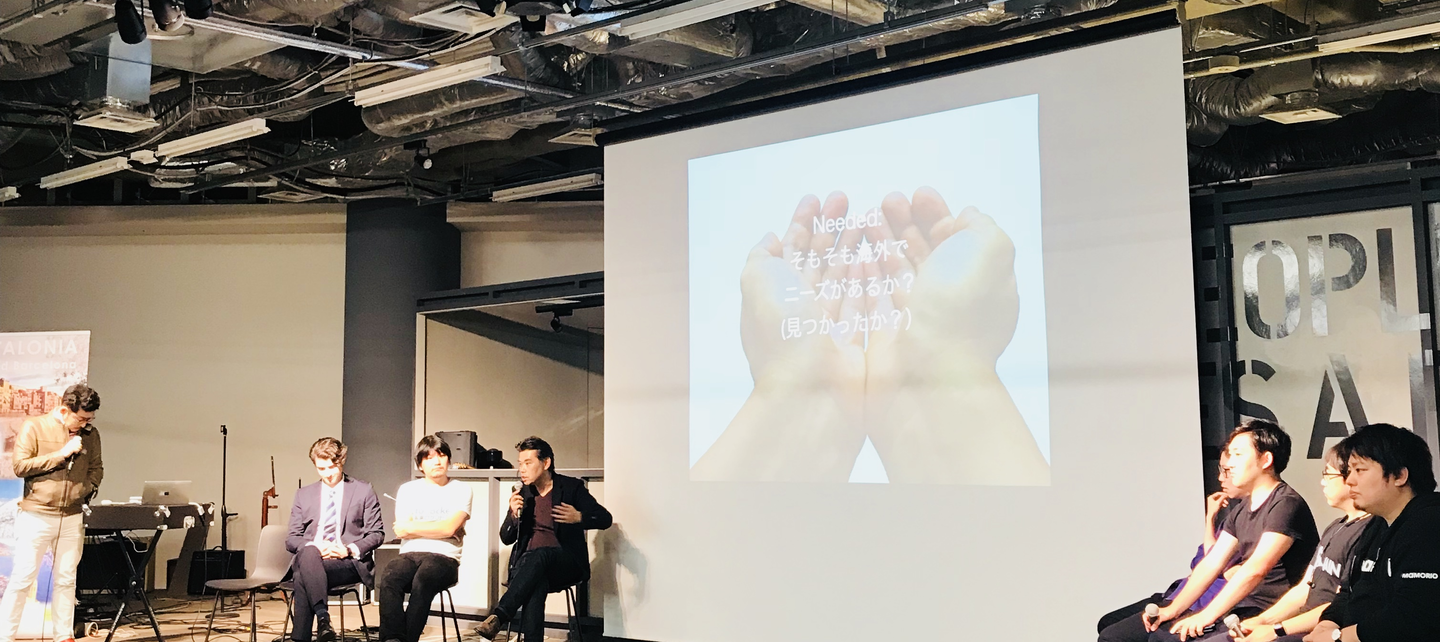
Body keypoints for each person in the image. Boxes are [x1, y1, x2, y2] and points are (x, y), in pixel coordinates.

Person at [1123, 421, 1319, 642]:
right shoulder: (1242, 509)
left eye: (1238, 454)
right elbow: (1212, 563)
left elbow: (1256, 569)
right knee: (1161, 637)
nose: (1230, 463)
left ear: (1266, 460)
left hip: (1274, 614)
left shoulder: (1285, 504)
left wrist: (1205, 617)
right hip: (1246, 608)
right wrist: (1174, 609)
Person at [1304, 423, 1440, 642]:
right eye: (1349, 471)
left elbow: (1415, 615)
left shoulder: (1428, 524)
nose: (1349, 480)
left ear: (1399, 476)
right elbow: (1348, 591)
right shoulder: (1376, 524)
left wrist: (1339, 637)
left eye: (1360, 470)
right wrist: (1327, 624)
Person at [475, 437, 612, 641]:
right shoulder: (523, 493)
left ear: (546, 462)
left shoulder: (571, 488)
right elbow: (506, 538)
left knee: (540, 556)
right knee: (536, 580)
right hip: (529, 567)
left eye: (528, 463)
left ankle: (500, 615)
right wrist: (513, 514)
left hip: (565, 564)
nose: (522, 469)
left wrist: (579, 517)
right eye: (520, 464)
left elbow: (605, 518)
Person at [1229, 446, 1370, 642]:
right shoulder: (1335, 527)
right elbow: (1303, 589)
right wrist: (1263, 621)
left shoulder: (1368, 533)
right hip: (1299, 625)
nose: (1322, 482)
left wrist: (1277, 630)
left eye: (1328, 474)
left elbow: (1341, 604)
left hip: (1325, 631)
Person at [1097, 451, 1245, 637]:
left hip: (1199, 602)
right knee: (1107, 622)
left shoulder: (1252, 521)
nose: (1221, 478)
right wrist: (1210, 518)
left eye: (1227, 470)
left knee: (1113, 637)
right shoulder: (1235, 518)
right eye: (1221, 470)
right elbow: (1208, 558)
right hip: (1178, 593)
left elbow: (1220, 565)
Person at [0, 383, 103, 642]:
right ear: (64, 410)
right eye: (81, 419)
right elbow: (20, 466)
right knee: (23, 578)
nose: (85, 424)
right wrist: (61, 454)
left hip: (72, 516)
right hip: (36, 515)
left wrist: (86, 489)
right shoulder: (34, 427)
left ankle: (63, 635)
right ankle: (5, 635)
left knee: (66, 579)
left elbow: (97, 468)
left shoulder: (91, 434)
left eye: (89, 419)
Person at [285, 438, 385, 642]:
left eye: (332, 467)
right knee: (308, 555)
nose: (328, 474)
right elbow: (292, 539)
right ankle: (323, 620)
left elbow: (377, 533)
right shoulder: (304, 495)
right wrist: (314, 547)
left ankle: (304, 635)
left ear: (342, 461)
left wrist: (347, 549)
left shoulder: (363, 490)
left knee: (302, 574)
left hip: (347, 562)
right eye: (321, 469)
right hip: (313, 558)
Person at [378, 436, 471, 642]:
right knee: (390, 577)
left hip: (445, 557)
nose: (437, 461)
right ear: (420, 464)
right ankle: (393, 639)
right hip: (409, 554)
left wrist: (417, 528)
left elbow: (449, 527)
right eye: (429, 458)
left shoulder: (461, 489)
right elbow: (402, 530)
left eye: (441, 455)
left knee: (424, 578)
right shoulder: (408, 489)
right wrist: (440, 528)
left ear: (448, 459)